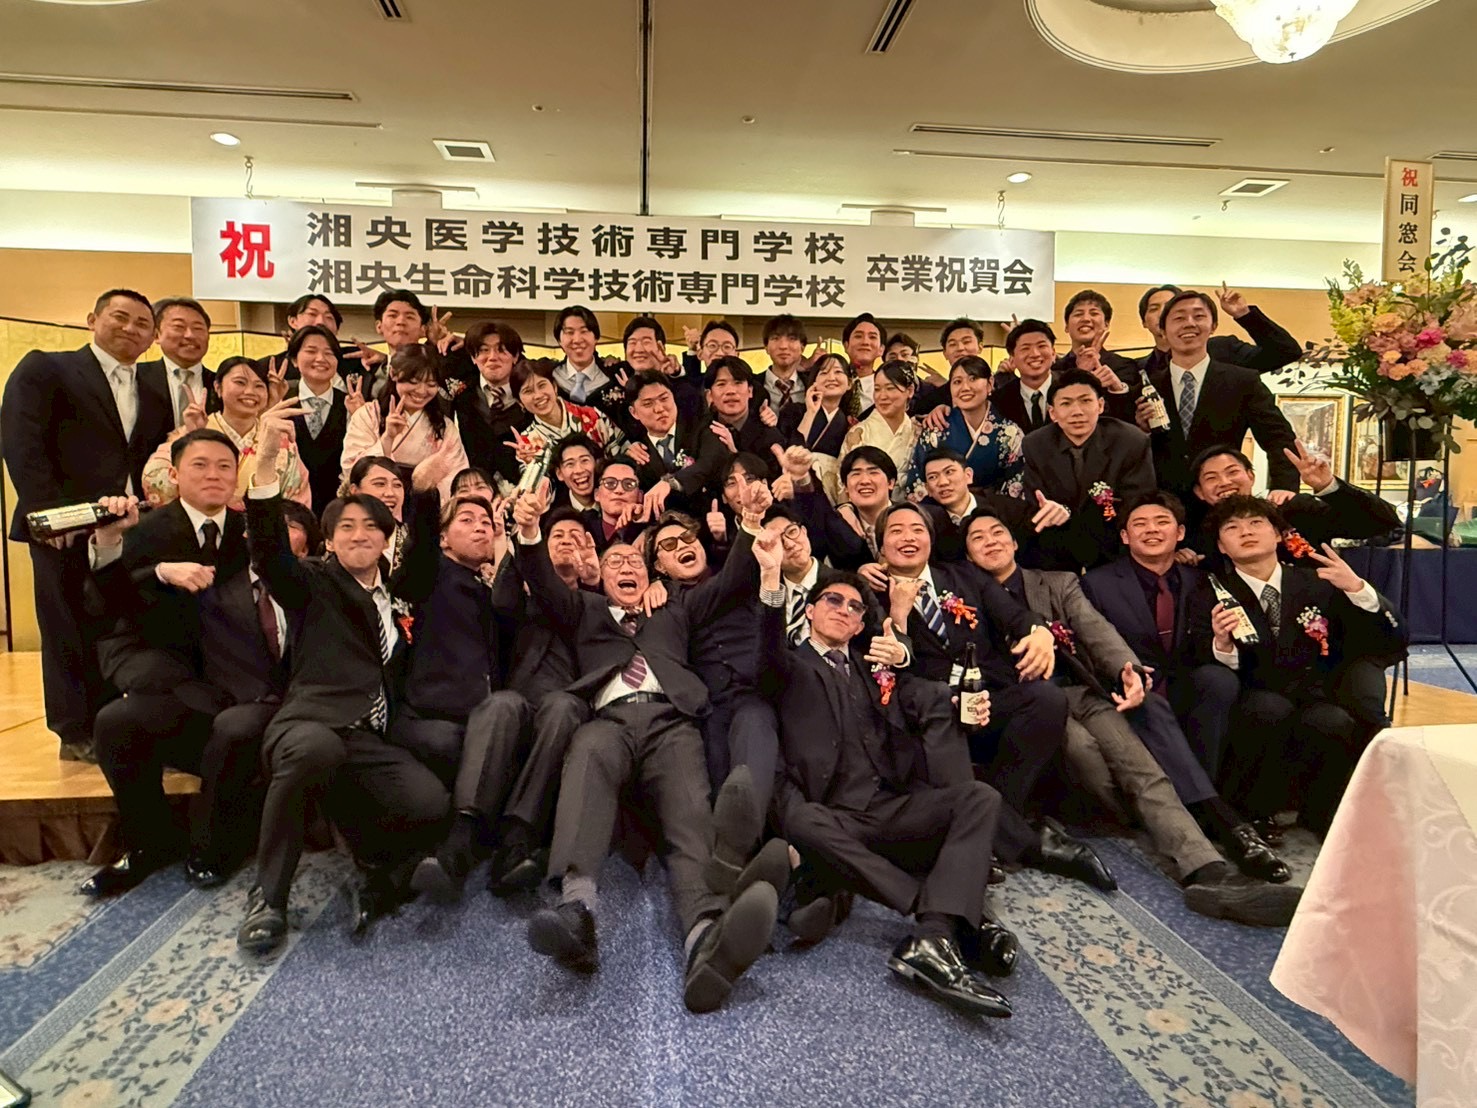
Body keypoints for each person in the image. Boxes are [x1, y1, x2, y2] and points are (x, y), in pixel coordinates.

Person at [511, 479, 785, 1014]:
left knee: (690, 814)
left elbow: (732, 580)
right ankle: (577, 913)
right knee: (587, 755)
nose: (626, 568)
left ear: (650, 573)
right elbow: (541, 581)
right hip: (608, 719)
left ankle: (705, 934)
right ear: (599, 575)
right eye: (614, 563)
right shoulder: (583, 610)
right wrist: (528, 531)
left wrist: (751, 524)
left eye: (634, 562)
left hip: (672, 721)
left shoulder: (676, 611)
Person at [961, 509, 1300, 924]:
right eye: (978, 538)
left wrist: (1127, 668)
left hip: (1081, 689)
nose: (991, 541)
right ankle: (1138, 820)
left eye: (998, 532)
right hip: (1027, 704)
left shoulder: (1058, 582)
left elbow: (1095, 628)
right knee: (1085, 753)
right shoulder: (966, 595)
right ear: (969, 556)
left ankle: (1207, 870)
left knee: (1141, 767)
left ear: (1015, 543)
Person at [753, 536, 1014, 1017]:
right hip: (834, 815)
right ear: (809, 611)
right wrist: (771, 578)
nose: (844, 610)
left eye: (854, 607)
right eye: (832, 600)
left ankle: (932, 936)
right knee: (802, 822)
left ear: (860, 626)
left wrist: (951, 690)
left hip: (890, 806)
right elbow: (765, 652)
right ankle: (943, 918)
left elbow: (917, 692)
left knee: (979, 798)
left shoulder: (873, 668)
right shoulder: (789, 666)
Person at [239, 417, 452, 956]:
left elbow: (425, 555)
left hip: (368, 737)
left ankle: (377, 872)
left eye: (371, 527)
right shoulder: (312, 582)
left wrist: (425, 493)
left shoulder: (397, 593)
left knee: (429, 801)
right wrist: (266, 466)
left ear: (386, 538)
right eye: (347, 528)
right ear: (330, 540)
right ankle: (268, 898)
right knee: (318, 751)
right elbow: (269, 552)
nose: (360, 535)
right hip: (311, 724)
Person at [81, 429, 289, 896]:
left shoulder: (252, 529)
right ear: (174, 474)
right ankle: (148, 842)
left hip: (246, 683)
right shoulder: (145, 529)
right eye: (200, 464)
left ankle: (214, 846)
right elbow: (107, 606)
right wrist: (152, 568)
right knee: (116, 722)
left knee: (236, 729)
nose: (214, 474)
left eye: (224, 466)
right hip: (180, 684)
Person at [873, 504, 1115, 891]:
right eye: (896, 531)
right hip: (930, 715)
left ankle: (996, 821)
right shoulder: (868, 594)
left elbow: (1015, 616)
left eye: (917, 529)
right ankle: (1029, 841)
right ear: (880, 547)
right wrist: (898, 614)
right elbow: (886, 669)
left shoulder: (963, 575)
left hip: (988, 699)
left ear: (931, 540)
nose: (908, 537)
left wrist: (1039, 632)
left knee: (1047, 700)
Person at [2, 289, 174, 759]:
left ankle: (116, 724)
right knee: (67, 626)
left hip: (129, 527)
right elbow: (22, 445)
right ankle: (74, 730)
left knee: (118, 625)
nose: (131, 328)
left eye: (143, 324)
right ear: (92, 319)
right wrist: (51, 520)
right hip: (66, 530)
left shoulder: (154, 389)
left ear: (152, 338)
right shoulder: (46, 369)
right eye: (120, 317)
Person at [1190, 495, 1409, 836]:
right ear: (1220, 545)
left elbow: (1388, 639)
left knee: (1332, 720)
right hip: (1251, 691)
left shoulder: (1318, 583)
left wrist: (1357, 589)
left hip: (1313, 691)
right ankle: (1252, 811)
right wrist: (1223, 645)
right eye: (1232, 528)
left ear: (1279, 535)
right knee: (1267, 709)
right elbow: (1199, 659)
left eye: (1256, 523)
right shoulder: (1210, 593)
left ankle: (1321, 813)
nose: (1246, 532)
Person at [390, 486, 533, 900]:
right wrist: (423, 490)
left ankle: (459, 850)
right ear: (443, 537)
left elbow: (512, 615)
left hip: (485, 721)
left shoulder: (491, 590)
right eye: (467, 521)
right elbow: (416, 553)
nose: (480, 528)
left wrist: (508, 544)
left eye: (487, 523)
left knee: (512, 724)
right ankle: (483, 847)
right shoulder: (432, 572)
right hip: (433, 718)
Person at [1136, 291, 1298, 502]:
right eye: (1179, 318)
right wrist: (1141, 430)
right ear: (1163, 330)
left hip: (1224, 500)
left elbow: (1278, 437)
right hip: (1163, 503)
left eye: (1199, 316)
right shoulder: (1146, 385)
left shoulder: (1242, 381)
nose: (1189, 323)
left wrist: (1283, 487)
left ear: (1213, 326)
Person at [1022, 369, 1156, 570]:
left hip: (1115, 546)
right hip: (1057, 546)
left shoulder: (1130, 441)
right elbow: (1036, 502)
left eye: (1085, 401)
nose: (1077, 412)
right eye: (1066, 403)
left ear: (1100, 405)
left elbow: (1139, 502)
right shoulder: (1035, 445)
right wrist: (1055, 511)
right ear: (1052, 413)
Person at [144, 358, 312, 509]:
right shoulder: (193, 431)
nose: (250, 391)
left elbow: (296, 497)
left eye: (259, 386)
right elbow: (155, 482)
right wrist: (195, 437)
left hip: (263, 528)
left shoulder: (276, 440)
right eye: (240, 382)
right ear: (218, 387)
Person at [1189, 445, 1401, 555]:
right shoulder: (1193, 535)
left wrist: (1327, 486)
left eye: (1232, 472)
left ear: (1251, 476)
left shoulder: (1292, 509)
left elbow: (1382, 522)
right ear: (1199, 491)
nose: (1225, 482)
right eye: (1211, 478)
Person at [341, 345, 469, 499]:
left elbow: (457, 479)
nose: (421, 391)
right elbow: (351, 469)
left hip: (424, 506)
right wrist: (387, 439)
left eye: (431, 384)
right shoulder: (368, 415)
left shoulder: (444, 427)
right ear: (393, 373)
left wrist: (425, 484)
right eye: (414, 382)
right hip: (375, 503)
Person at [915, 448, 1070, 565]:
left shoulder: (1007, 508)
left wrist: (1060, 515)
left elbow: (1046, 547)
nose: (943, 482)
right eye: (933, 477)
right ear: (928, 489)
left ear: (968, 475)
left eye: (949, 472)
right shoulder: (923, 520)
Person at [907, 355, 1025, 500]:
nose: (965, 388)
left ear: (990, 383)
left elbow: (1016, 484)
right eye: (957, 382)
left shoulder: (1010, 433)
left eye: (973, 379)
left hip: (993, 509)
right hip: (940, 509)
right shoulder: (936, 430)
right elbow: (917, 481)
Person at [1136, 283, 1302, 377]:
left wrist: (1244, 315)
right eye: (1154, 308)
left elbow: (1286, 352)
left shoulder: (1225, 350)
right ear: (1144, 322)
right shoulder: (1137, 370)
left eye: (1171, 307)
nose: (1163, 313)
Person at [453, 320, 531, 489]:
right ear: (473, 358)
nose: (493, 357)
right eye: (484, 350)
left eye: (501, 349)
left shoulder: (532, 394)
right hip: (476, 488)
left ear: (515, 356)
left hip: (524, 488)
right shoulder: (462, 394)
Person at [284, 325, 351, 516]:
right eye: (311, 351)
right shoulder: (280, 401)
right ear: (294, 360)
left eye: (329, 353)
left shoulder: (350, 404)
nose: (321, 358)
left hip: (337, 511)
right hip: (289, 511)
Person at [1049, 290, 1142, 422]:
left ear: (1106, 324)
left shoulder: (1124, 366)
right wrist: (1082, 374)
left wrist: (1117, 389)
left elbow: (1131, 416)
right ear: (1066, 326)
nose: (1086, 319)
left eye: (1094, 313)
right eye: (1078, 314)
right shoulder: (1054, 369)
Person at [781, 352, 857, 498]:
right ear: (814, 382)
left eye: (838, 372)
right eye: (824, 373)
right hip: (799, 487)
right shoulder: (793, 412)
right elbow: (793, 450)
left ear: (849, 383)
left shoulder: (850, 423)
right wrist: (810, 412)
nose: (831, 378)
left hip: (834, 492)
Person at [841, 360, 919, 491]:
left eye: (890, 388)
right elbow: (844, 481)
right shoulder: (859, 432)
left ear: (910, 391)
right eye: (877, 389)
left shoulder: (917, 431)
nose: (882, 396)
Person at [141, 296, 214, 427]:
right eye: (179, 327)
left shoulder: (222, 383)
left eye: (198, 328)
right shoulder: (136, 378)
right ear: (156, 335)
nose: (190, 335)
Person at [992, 319, 1057, 434]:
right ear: (1012, 358)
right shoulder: (999, 401)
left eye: (1041, 346)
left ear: (1053, 353)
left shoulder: (1072, 388)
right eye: (1025, 348)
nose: (1035, 354)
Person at [551, 305, 610, 404]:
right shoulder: (549, 377)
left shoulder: (613, 377)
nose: (577, 340)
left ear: (596, 337)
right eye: (570, 332)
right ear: (559, 340)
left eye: (584, 331)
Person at [755, 314, 810, 412]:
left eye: (792, 339)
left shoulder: (812, 385)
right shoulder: (752, 385)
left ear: (802, 347)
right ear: (766, 347)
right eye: (775, 338)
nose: (783, 346)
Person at [550, 435, 602, 514]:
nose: (579, 470)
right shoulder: (552, 514)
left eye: (584, 460)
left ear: (597, 463)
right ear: (559, 474)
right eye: (570, 464)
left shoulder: (615, 501)